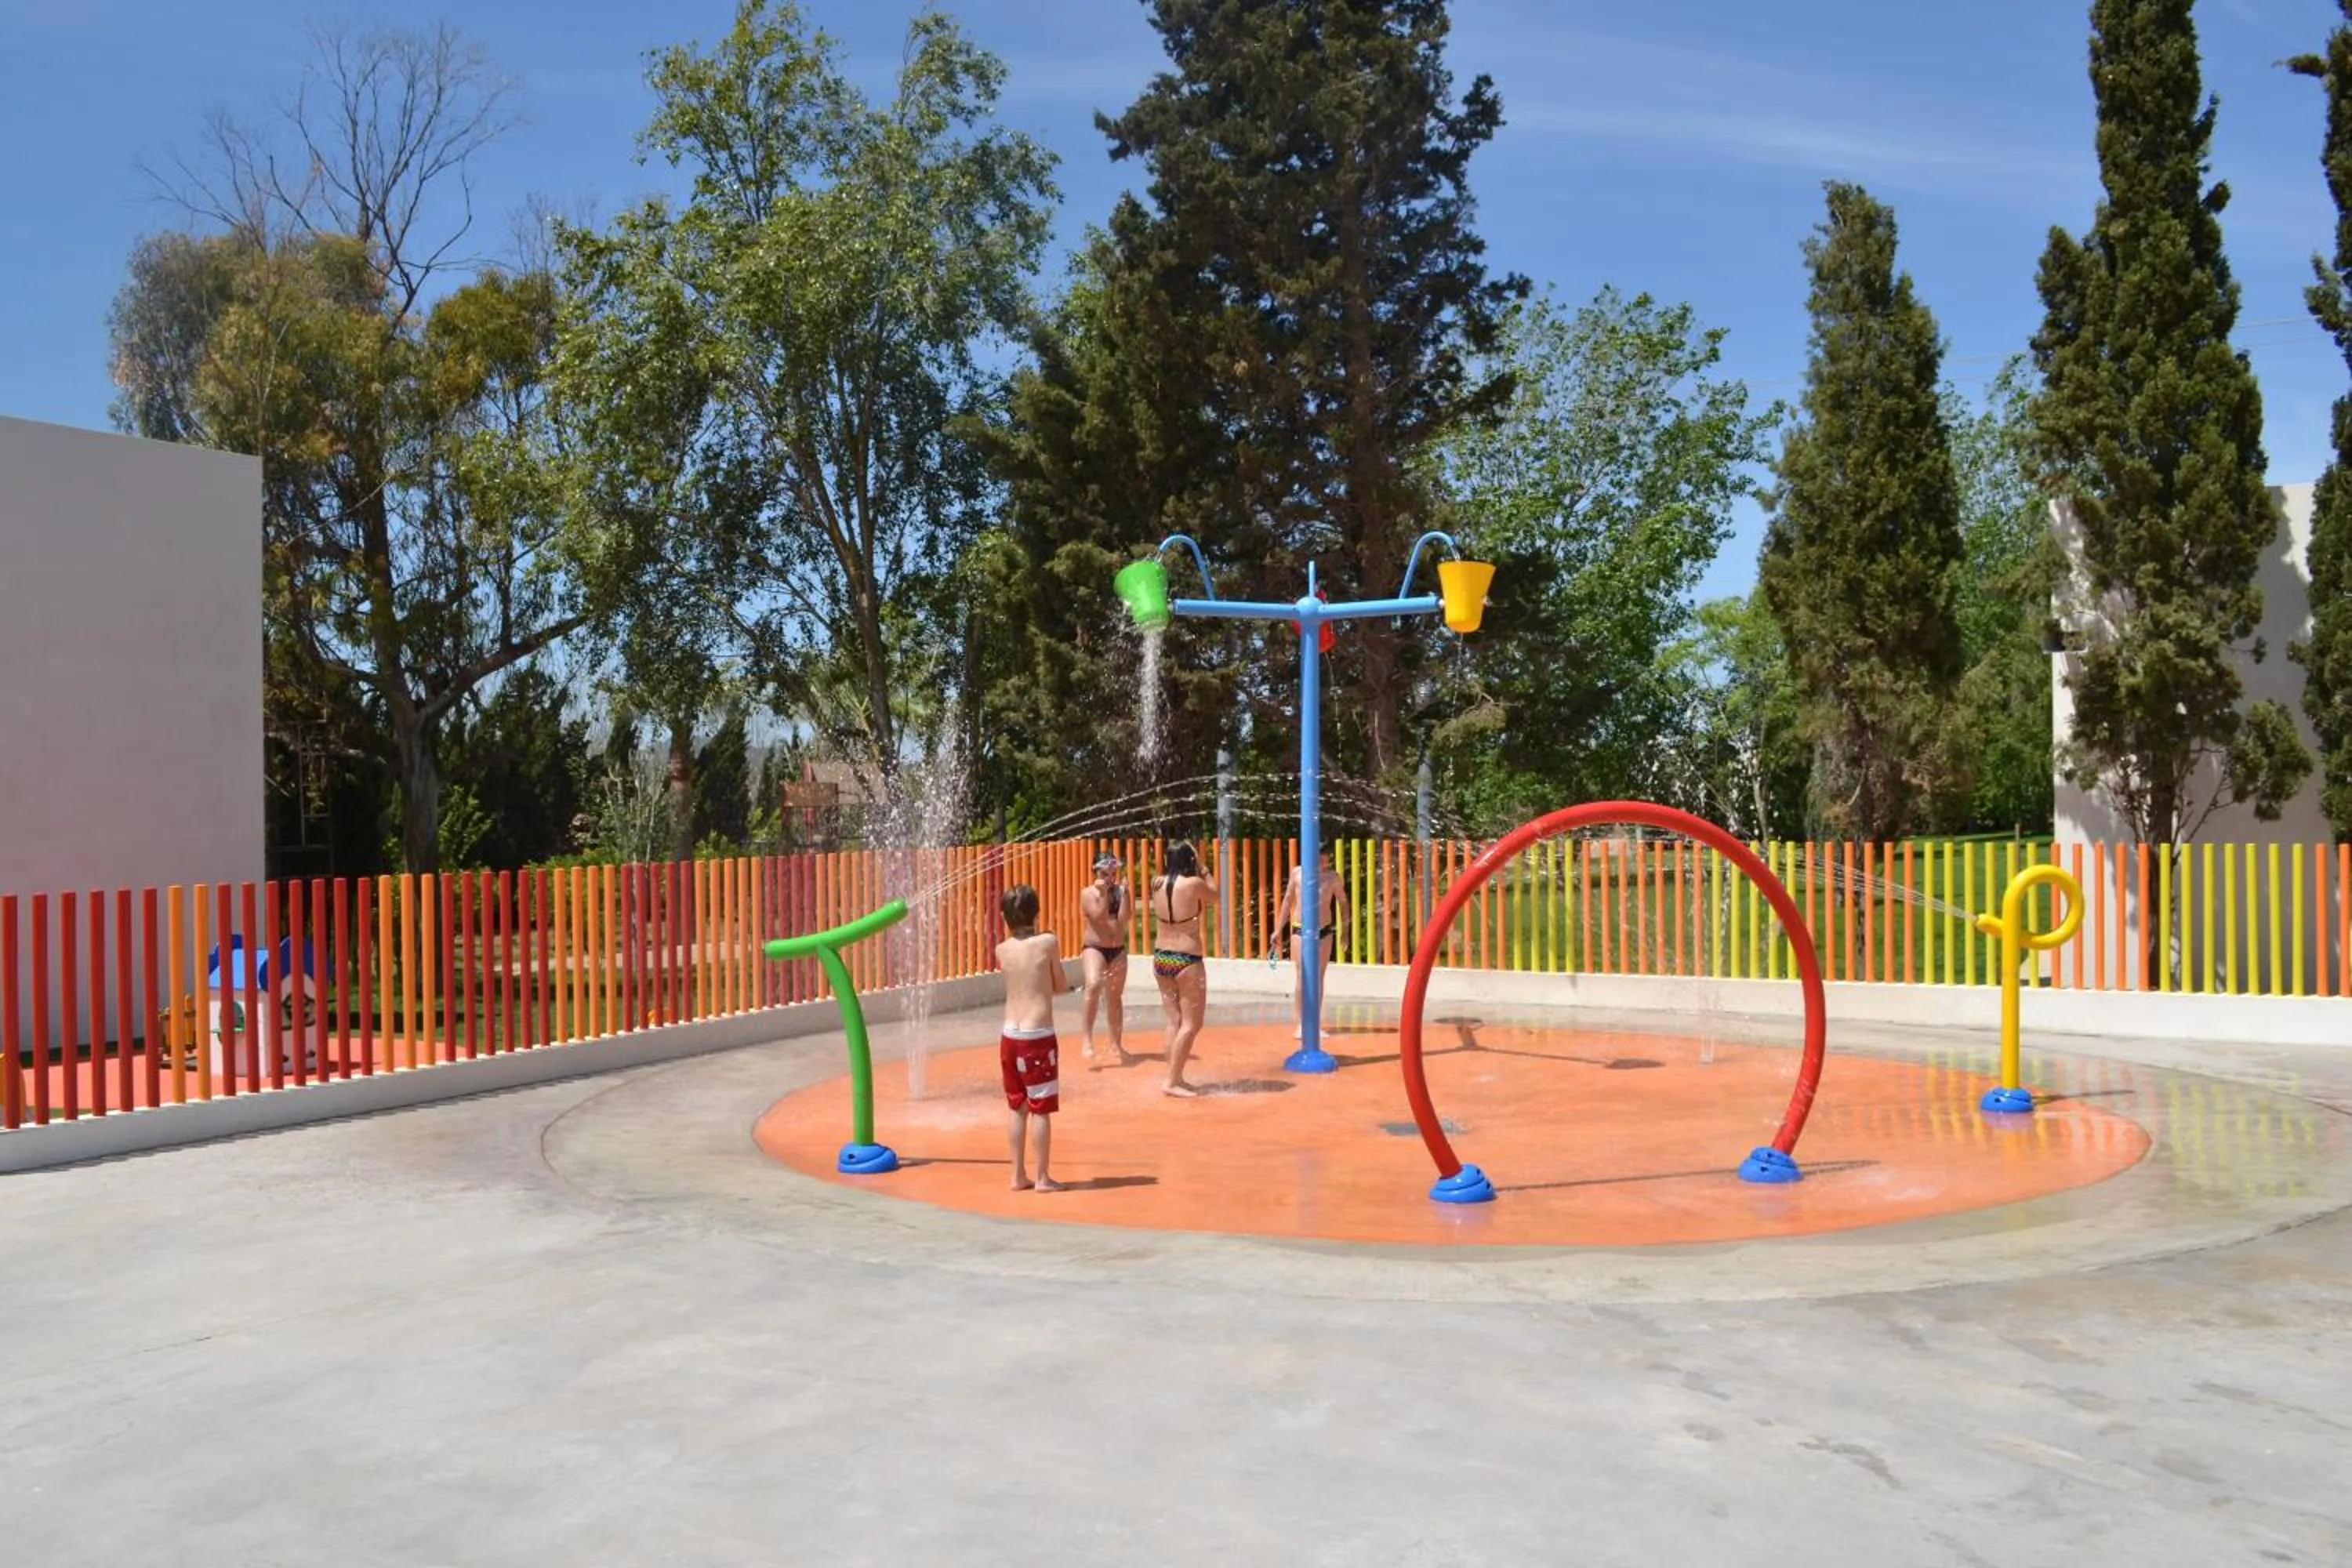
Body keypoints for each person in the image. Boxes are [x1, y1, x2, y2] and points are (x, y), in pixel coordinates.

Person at [996, 883, 1069, 1192]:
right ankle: (1042, 1177)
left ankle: (1017, 1175)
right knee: (1041, 1108)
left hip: (1009, 1036)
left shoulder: (1002, 949)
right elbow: (1060, 985)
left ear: (1005, 917)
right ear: (1036, 913)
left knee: (1017, 1107)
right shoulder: (1048, 943)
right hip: (1036, 1036)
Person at [1149, 839, 1218, 1097]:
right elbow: (1217, 896)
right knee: (1192, 1023)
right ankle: (1172, 1081)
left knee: (1173, 1021)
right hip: (1186, 959)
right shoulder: (1194, 884)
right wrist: (1205, 869)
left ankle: (1173, 1075)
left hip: (1161, 958)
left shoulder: (1156, 883)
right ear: (1189, 861)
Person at [1272, 842, 1348, 1039]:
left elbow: (1343, 903)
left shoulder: (1333, 878)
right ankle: (1300, 1024)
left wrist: (1345, 930)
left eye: (1327, 855)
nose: (1325, 859)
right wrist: (1278, 930)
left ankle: (1314, 1024)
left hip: (1324, 932)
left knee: (1318, 977)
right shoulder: (1298, 873)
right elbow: (1288, 900)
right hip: (1300, 931)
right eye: (1321, 854)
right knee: (1302, 976)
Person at [1078, 854, 1131, 1065]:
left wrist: (1126, 895)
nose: (1110, 878)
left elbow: (1124, 919)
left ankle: (1115, 1043)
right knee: (1093, 985)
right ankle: (1086, 1040)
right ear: (1095, 873)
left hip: (1116, 949)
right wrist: (1102, 893)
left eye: (1113, 874)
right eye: (1104, 874)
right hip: (1095, 947)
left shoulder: (1118, 891)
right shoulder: (1088, 893)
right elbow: (1099, 917)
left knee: (1114, 998)